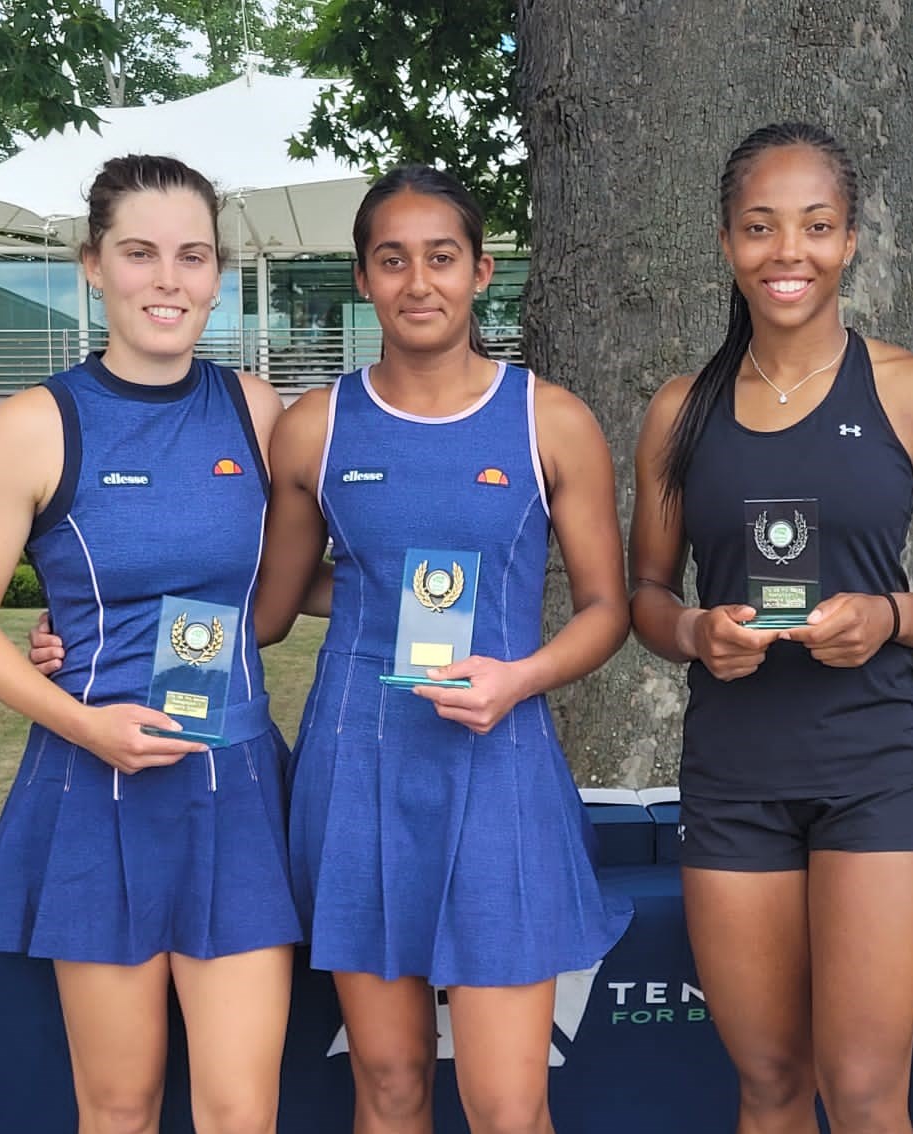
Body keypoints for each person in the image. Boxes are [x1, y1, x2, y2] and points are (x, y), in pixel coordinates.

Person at [627, 122, 913, 1133]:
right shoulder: (678, 413)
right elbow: (646, 599)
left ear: (851, 241)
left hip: (877, 769)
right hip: (735, 777)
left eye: (815, 226)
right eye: (760, 227)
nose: (787, 251)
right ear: (726, 243)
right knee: (771, 1086)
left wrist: (889, 616)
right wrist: (697, 632)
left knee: (868, 1092)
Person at [247, 164, 631, 1134]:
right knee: (389, 1086)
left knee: (506, 1105)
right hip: (358, 777)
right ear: (364, 280)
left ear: (482, 273)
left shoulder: (551, 419)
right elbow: (269, 610)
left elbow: (605, 610)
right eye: (392, 260)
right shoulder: (315, 428)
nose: (418, 281)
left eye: (442, 258)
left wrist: (522, 677)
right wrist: (87, 640)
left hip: (498, 773)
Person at [0, 154, 300, 1134]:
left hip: (235, 791)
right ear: (93, 266)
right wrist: (84, 721)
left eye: (192, 256)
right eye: (139, 254)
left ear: (219, 274)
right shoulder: (31, 426)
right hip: (97, 791)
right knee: (121, 1107)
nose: (167, 281)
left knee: (238, 1113)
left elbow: (290, 595)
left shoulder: (259, 414)